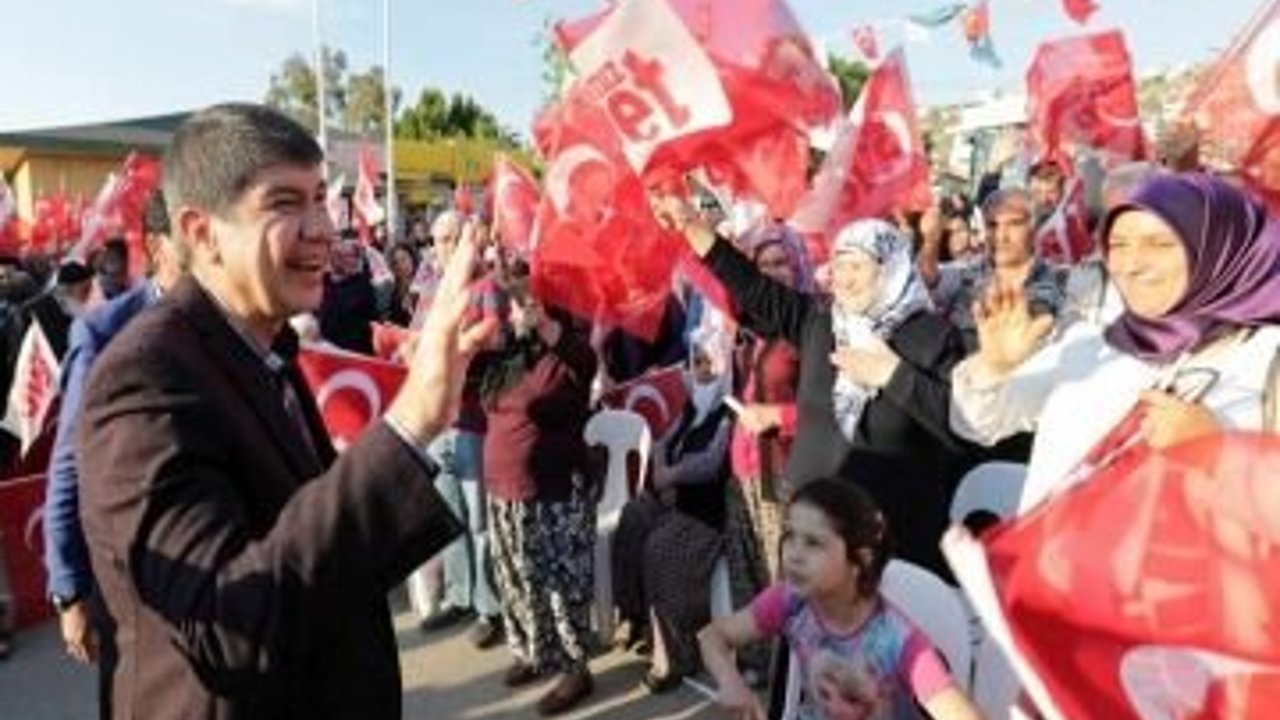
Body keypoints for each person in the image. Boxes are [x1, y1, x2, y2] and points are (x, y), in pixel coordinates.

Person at [76, 103, 495, 719]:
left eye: (321, 199)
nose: (322, 228)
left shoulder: (265, 347)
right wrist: (410, 422)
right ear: (201, 233)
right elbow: (228, 623)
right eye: (284, 203)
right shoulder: (144, 378)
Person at [656, 195, 971, 576]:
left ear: (890, 268)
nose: (844, 278)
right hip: (808, 534)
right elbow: (750, 286)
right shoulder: (820, 322)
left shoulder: (932, 337)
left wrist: (894, 375)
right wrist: (690, 223)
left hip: (884, 551)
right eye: (838, 265)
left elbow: (961, 425)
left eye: (857, 266)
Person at [951, 173, 1280, 514]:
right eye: (1119, 245)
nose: (1132, 265)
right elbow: (979, 424)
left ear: (1220, 247)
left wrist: (1220, 456)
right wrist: (995, 368)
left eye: (1160, 244)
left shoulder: (1266, 359)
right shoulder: (1091, 343)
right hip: (1051, 547)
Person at [43, 191, 183, 713]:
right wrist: (69, 590)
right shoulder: (104, 333)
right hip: (132, 584)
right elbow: (69, 464)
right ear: (160, 247)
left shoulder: (241, 322)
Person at [698, 479, 984, 720]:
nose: (793, 554)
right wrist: (730, 682)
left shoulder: (898, 642)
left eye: (813, 543)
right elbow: (712, 636)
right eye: (790, 535)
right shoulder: (790, 600)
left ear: (860, 560)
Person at [479, 270, 598, 716]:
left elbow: (586, 362)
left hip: (552, 492)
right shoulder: (511, 354)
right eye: (513, 306)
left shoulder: (568, 354)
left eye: (523, 305)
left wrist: (545, 324)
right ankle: (531, 650)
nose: (515, 314)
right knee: (516, 578)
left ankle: (574, 669)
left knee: (560, 585)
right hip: (504, 489)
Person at [611, 325, 733, 691]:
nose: (704, 369)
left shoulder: (728, 410)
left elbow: (712, 463)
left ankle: (675, 653)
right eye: (697, 361)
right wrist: (661, 464)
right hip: (678, 501)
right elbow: (665, 438)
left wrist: (672, 474)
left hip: (709, 513)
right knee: (633, 516)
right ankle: (634, 615)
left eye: (711, 361)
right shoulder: (694, 404)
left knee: (660, 548)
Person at [719, 222, 810, 664]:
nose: (773, 272)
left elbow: (829, 408)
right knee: (748, 569)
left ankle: (785, 673)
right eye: (764, 265)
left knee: (780, 577)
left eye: (781, 263)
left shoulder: (808, 327)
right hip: (744, 469)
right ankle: (756, 663)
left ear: (798, 267)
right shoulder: (755, 325)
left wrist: (777, 417)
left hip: (782, 470)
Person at [919, 188, 1067, 354]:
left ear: (1033, 228)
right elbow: (928, 278)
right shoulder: (969, 271)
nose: (1001, 236)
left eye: (1014, 224)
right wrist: (931, 241)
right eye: (992, 225)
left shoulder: (1057, 281)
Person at [318, 232, 378, 354]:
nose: (346, 260)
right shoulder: (321, 283)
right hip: (325, 353)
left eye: (351, 256)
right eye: (339, 255)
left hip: (356, 354)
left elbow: (373, 322)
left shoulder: (363, 284)